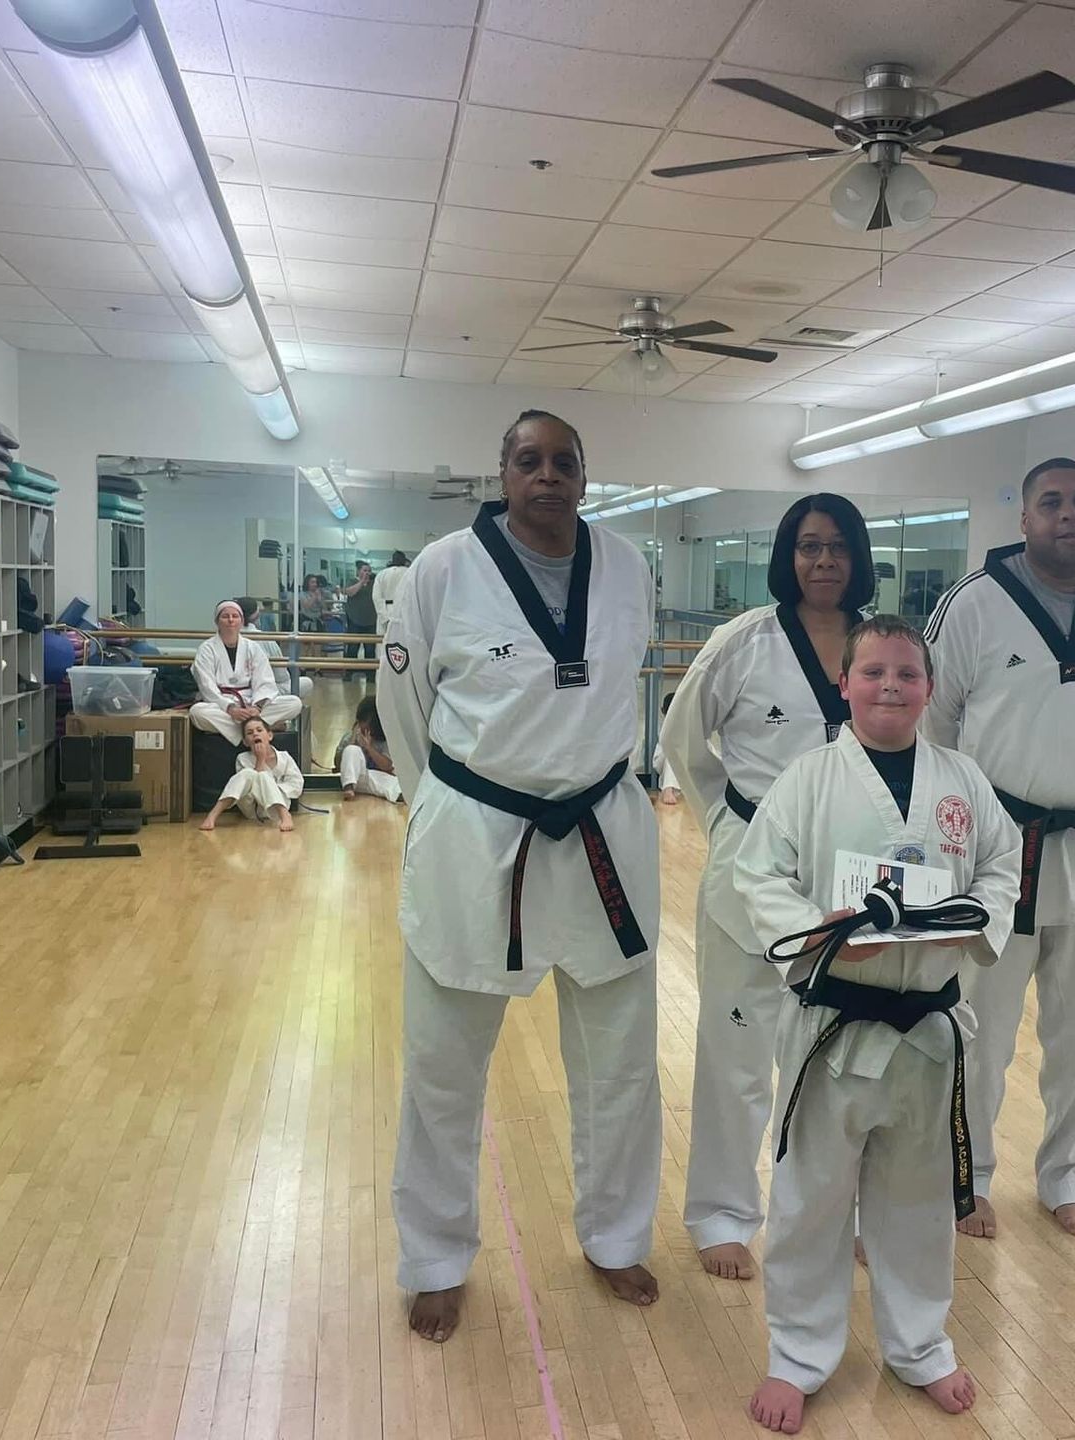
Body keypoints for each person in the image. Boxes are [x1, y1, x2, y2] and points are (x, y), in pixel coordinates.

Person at [379, 409, 662, 1344]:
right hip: (478, 839)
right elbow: (406, 707)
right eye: (529, 461)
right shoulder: (443, 569)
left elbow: (625, 692)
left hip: (601, 836)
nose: (548, 476)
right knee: (444, 1066)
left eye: (565, 463)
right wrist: (450, 807)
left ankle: (617, 1238)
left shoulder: (627, 568)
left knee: (619, 1060)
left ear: (587, 475)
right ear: (500, 471)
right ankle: (434, 1257)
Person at [733, 615, 1021, 1434]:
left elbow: (1002, 864)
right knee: (810, 1199)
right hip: (835, 1022)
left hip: (929, 1028)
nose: (890, 685)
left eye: (907, 673)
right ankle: (797, 1353)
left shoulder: (963, 779)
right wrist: (818, 937)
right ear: (844, 685)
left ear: (930, 687)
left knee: (920, 1202)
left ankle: (920, 1345)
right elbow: (760, 874)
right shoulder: (809, 778)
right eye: (873, 673)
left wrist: (978, 918)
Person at [922, 458, 1075, 1242]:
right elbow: (935, 725)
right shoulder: (973, 607)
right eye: (1051, 503)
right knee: (980, 1027)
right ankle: (969, 1173)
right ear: (1022, 519)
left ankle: (1066, 1172)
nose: (1070, 515)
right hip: (998, 849)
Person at [661, 492, 876, 1281]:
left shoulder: (876, 645)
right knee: (738, 1049)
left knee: (843, 1056)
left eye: (838, 547)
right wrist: (724, 820)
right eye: (808, 547)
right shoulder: (743, 642)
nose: (824, 562)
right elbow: (684, 737)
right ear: (786, 556)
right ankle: (722, 1212)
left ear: (858, 557)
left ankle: (835, 1211)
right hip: (752, 867)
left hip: (849, 878)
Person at [189, 599, 304, 743]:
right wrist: (230, 708)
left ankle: (247, 728)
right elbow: (207, 686)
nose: (231, 620)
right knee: (197, 713)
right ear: (217, 621)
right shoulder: (206, 649)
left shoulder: (252, 647)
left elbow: (265, 681)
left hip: (250, 703)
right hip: (223, 706)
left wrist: (257, 707)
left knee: (294, 703)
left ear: (241, 621)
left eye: (235, 616)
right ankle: (258, 728)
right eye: (225, 616)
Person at [199, 716, 302, 832]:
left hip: (276, 810)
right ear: (245, 742)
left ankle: (285, 815)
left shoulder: (285, 757)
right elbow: (245, 786)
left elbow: (297, 784)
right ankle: (213, 815)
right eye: (250, 733)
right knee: (248, 773)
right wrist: (260, 760)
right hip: (252, 808)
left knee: (264, 776)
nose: (255, 734)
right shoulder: (242, 758)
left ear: (270, 735)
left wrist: (273, 788)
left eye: (259, 730)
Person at [238, 595, 314, 703]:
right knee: (306, 683)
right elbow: (281, 676)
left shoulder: (223, 638)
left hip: (234, 691)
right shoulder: (265, 639)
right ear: (256, 614)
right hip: (262, 691)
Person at [337, 694, 401, 803]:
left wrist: (369, 748)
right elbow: (338, 764)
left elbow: (387, 766)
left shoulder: (386, 741)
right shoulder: (350, 737)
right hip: (354, 779)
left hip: (375, 778)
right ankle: (348, 788)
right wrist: (352, 742)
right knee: (351, 750)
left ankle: (399, 794)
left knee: (389, 781)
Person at [341, 560, 378, 659]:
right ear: (358, 571)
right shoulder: (352, 581)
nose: (367, 573)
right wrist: (361, 582)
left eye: (369, 571)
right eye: (365, 570)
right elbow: (349, 592)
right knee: (352, 648)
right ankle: (351, 672)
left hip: (371, 621)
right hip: (354, 621)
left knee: (370, 649)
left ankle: (370, 673)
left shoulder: (374, 584)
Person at [652, 691, 682, 804]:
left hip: (683, 765)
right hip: (664, 760)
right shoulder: (662, 725)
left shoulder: (688, 723)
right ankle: (668, 789)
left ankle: (671, 789)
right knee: (671, 752)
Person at [373, 550, 410, 635]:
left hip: (386, 609)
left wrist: (384, 618)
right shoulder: (410, 573)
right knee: (404, 644)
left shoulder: (381, 574)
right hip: (404, 612)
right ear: (404, 561)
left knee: (384, 644)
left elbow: (376, 598)